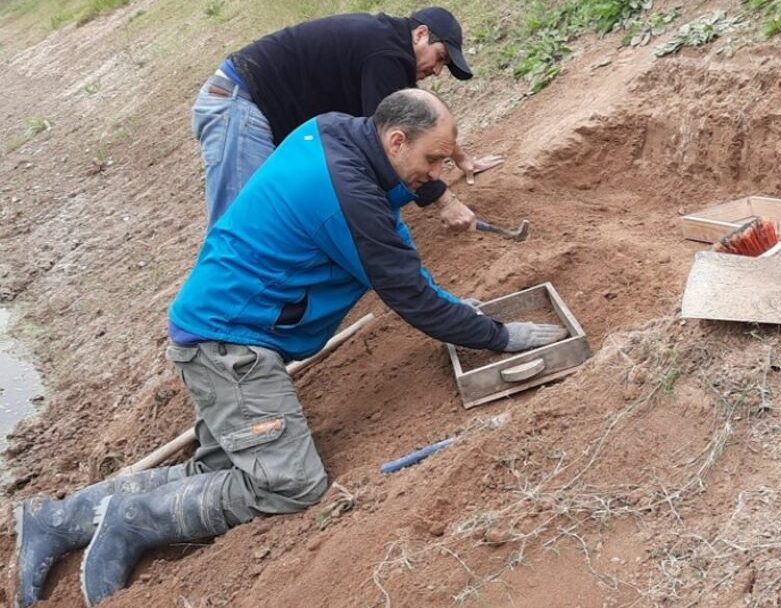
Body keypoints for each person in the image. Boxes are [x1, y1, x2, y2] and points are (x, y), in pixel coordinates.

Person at [12, 89, 565, 608]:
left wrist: (435, 185)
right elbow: (411, 295)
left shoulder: (336, 133)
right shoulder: (349, 200)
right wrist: (498, 334)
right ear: (395, 140)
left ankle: (55, 520)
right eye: (435, 158)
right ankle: (135, 518)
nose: (438, 172)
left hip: (215, 324)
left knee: (220, 466)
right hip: (230, 346)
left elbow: (395, 198)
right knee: (289, 483)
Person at [193, 6, 502, 229]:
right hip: (239, 103)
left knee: (279, 215)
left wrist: (461, 158)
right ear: (420, 34)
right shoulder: (387, 54)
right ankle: (216, 315)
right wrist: (445, 201)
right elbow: (388, 140)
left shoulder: (387, 48)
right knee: (239, 225)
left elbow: (418, 121)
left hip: (260, 111)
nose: (436, 70)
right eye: (440, 58)